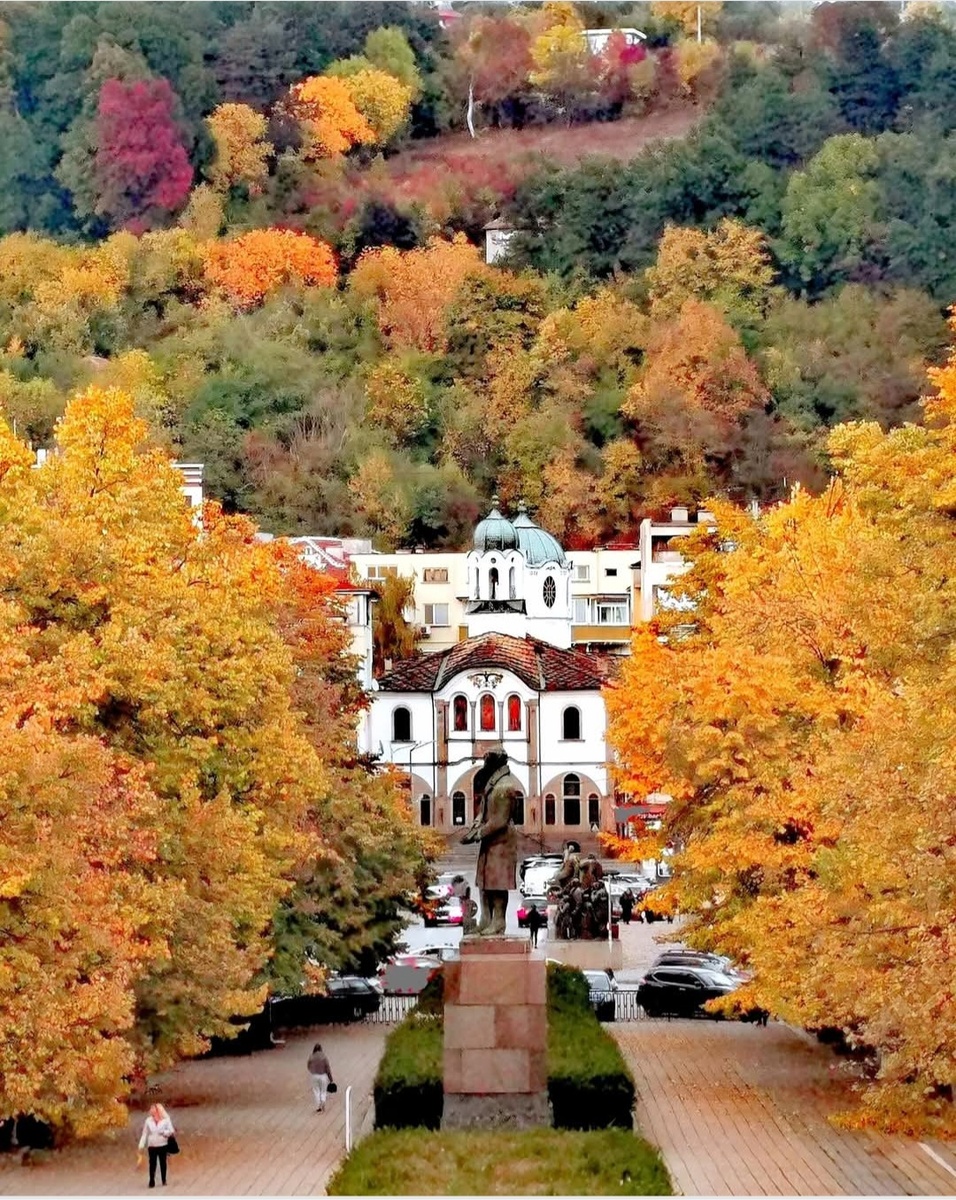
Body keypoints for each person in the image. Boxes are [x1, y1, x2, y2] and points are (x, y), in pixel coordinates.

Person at [138, 1103, 176, 1189]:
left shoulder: (166, 1120)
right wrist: (141, 1144)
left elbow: (171, 1130)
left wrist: (164, 1133)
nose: (151, 1111)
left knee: (163, 1162)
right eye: (151, 1109)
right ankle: (152, 1180)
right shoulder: (148, 1120)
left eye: (153, 1109)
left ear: (158, 1110)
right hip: (152, 1145)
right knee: (152, 1163)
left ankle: (164, 1179)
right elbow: (145, 1133)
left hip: (162, 1144)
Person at [307, 1042, 334, 1112]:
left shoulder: (311, 1056)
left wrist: (312, 1071)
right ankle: (323, 1101)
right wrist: (330, 1078)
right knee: (323, 1090)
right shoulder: (324, 1057)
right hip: (323, 1075)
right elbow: (328, 1068)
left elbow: (308, 1066)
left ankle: (318, 1105)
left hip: (314, 1075)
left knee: (316, 1090)